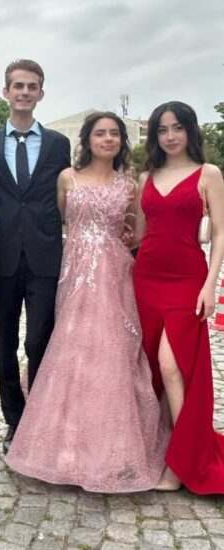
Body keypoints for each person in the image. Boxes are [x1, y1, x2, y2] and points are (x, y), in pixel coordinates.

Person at [5, 112, 169, 491]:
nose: (107, 139)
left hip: (113, 274)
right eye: (100, 133)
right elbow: (57, 220)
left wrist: (114, 243)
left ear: (122, 141)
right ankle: (64, 448)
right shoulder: (67, 177)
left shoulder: (129, 184)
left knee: (111, 350)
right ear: (88, 139)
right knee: (72, 349)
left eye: (114, 133)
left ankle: (113, 448)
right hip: (73, 270)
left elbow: (137, 233)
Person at [133, 101, 224, 493]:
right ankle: (166, 446)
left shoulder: (208, 174)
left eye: (177, 128)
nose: (170, 136)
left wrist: (210, 286)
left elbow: (220, 232)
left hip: (188, 278)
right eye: (162, 130)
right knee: (155, 367)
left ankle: (181, 462)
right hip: (146, 277)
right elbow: (139, 235)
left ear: (190, 130)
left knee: (174, 366)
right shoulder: (145, 176)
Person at [0, 59, 71, 452]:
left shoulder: (57, 144)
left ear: (41, 94)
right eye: (18, 85)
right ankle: (14, 420)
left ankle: (39, 415)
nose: (24, 92)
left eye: (31, 86)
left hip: (45, 256)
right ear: (6, 92)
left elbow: (70, 191)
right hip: (2, 256)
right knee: (5, 342)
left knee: (38, 340)